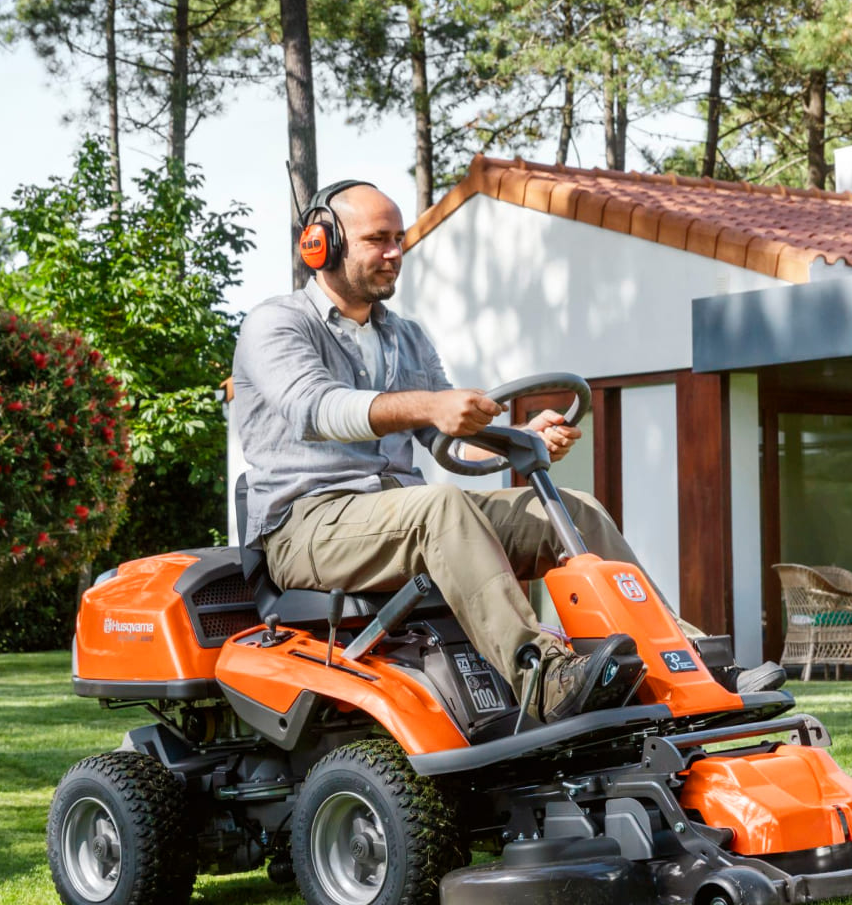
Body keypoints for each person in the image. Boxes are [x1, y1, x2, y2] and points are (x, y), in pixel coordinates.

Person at [230, 178, 640, 722]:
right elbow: (317, 410)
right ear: (321, 243)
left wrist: (523, 437)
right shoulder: (276, 324)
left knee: (570, 509)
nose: (395, 253)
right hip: (304, 526)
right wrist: (428, 405)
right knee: (439, 507)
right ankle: (544, 677)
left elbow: (446, 439)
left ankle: (671, 654)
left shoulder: (406, 336)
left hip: (399, 519)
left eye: (399, 238)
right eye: (378, 238)